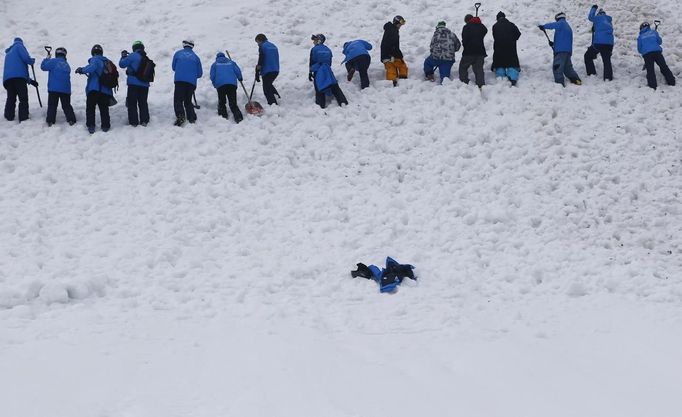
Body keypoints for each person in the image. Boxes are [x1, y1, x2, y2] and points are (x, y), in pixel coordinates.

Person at [75, 44, 114, 134]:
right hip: (106, 90)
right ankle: (105, 126)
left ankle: (91, 126)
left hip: (94, 89)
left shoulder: (95, 59)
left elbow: (92, 68)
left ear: (93, 52)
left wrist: (81, 70)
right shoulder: (107, 61)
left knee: (90, 108)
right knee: (104, 108)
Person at [538, 12, 582, 86]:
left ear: (558, 18)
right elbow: (563, 40)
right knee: (567, 68)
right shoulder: (568, 27)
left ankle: (559, 84)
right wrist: (553, 45)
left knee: (557, 67)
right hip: (567, 51)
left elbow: (553, 25)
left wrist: (544, 26)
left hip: (560, 51)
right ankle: (576, 80)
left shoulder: (561, 23)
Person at [308, 34, 348, 108]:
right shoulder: (328, 49)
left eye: (315, 40)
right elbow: (329, 62)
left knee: (319, 88)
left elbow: (312, 61)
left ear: (319, 41)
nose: (314, 42)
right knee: (334, 85)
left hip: (318, 70)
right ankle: (343, 101)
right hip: (327, 70)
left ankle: (320, 105)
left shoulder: (314, 49)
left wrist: (310, 72)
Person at [40, 47, 76, 126]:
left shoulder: (53, 61)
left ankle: (50, 121)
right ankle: (71, 119)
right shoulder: (67, 64)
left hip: (54, 89)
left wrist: (47, 58)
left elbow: (43, 67)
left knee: (52, 105)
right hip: (65, 89)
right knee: (66, 105)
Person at [3, 37, 36, 122]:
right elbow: (25, 58)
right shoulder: (19, 46)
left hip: (8, 79)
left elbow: (17, 68)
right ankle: (23, 117)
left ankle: (8, 117)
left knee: (11, 98)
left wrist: (30, 81)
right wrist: (31, 61)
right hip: (19, 79)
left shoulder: (8, 52)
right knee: (23, 98)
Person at [119, 41, 150, 126]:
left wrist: (123, 56)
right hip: (145, 84)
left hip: (133, 84)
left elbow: (122, 64)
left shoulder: (133, 55)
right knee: (143, 103)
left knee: (132, 103)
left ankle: (134, 122)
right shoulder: (146, 58)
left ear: (134, 48)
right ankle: (144, 121)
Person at [171, 39, 202, 126]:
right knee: (188, 100)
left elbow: (173, 67)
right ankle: (191, 117)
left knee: (178, 100)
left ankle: (181, 116)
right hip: (191, 83)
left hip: (180, 81)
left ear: (184, 45)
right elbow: (199, 74)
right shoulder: (196, 57)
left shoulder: (178, 53)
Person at [637, 22, 676, 90]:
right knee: (664, 66)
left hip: (647, 55)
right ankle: (672, 82)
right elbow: (660, 41)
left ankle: (652, 86)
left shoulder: (640, 37)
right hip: (657, 52)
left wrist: (645, 51)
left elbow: (639, 49)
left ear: (641, 28)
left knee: (650, 70)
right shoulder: (654, 32)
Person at [209, 52, 244, 123]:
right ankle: (238, 117)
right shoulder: (231, 63)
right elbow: (237, 70)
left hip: (220, 85)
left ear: (217, 58)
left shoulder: (215, 64)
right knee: (233, 102)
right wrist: (240, 78)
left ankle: (223, 116)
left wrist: (215, 84)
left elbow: (212, 76)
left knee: (222, 101)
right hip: (232, 85)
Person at [491, 11, 522, 86]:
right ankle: (513, 78)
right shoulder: (511, 25)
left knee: (499, 64)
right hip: (510, 47)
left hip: (499, 47)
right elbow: (518, 34)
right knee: (512, 63)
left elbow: (494, 36)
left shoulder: (495, 26)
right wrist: (512, 39)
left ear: (497, 18)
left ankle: (501, 77)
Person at [584, 5, 614, 81]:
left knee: (587, 56)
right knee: (606, 60)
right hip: (609, 44)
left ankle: (591, 73)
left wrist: (593, 8)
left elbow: (590, 17)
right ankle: (608, 78)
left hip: (599, 43)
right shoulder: (609, 21)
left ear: (599, 14)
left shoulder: (598, 18)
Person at [459, 14, 488, 88]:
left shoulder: (466, 27)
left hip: (469, 52)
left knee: (463, 67)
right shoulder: (480, 26)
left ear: (466, 21)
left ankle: (464, 82)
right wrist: (478, 22)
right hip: (480, 52)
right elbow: (485, 30)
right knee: (479, 69)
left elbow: (464, 39)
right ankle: (481, 85)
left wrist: (465, 46)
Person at [381, 15, 407, 86]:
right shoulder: (392, 30)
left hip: (391, 54)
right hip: (388, 55)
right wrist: (393, 55)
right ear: (396, 22)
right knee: (393, 66)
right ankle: (393, 80)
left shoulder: (393, 30)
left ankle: (400, 78)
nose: (401, 26)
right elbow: (389, 45)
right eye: (400, 24)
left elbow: (394, 45)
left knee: (398, 64)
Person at [254, 34, 280, 105]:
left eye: (257, 42)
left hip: (267, 70)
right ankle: (277, 97)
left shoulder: (262, 46)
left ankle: (273, 104)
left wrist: (257, 70)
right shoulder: (273, 46)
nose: (257, 44)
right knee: (269, 85)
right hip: (275, 69)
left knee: (266, 89)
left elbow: (261, 58)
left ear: (260, 40)